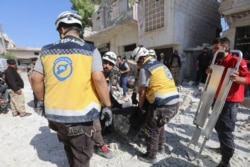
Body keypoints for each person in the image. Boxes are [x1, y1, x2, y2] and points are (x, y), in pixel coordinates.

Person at [31, 11, 112, 167]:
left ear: (62, 29)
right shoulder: (90, 49)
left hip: (55, 117)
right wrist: (108, 105)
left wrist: (41, 101)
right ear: (79, 29)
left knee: (68, 146)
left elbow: (35, 78)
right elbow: (99, 79)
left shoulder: (46, 50)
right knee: (82, 156)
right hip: (80, 117)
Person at [131, 46, 179, 163]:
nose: (137, 64)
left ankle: (151, 155)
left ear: (141, 59)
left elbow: (142, 92)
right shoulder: (159, 65)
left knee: (150, 128)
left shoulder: (145, 68)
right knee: (159, 124)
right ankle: (161, 146)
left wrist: (140, 107)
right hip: (174, 102)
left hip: (162, 104)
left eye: (137, 61)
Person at [210, 37, 249, 167]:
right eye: (213, 48)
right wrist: (208, 72)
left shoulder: (237, 61)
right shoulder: (218, 61)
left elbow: (248, 78)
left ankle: (226, 160)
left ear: (225, 47)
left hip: (230, 100)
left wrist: (238, 78)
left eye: (216, 48)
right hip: (217, 97)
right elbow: (213, 76)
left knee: (225, 129)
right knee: (217, 125)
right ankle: (223, 148)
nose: (213, 51)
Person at [93, 51, 121, 159]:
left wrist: (116, 104)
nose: (106, 66)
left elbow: (108, 93)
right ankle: (99, 145)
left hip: (100, 103)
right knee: (95, 124)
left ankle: (104, 130)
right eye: (105, 62)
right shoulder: (95, 73)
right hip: (91, 104)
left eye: (110, 64)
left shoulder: (109, 76)